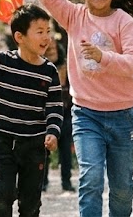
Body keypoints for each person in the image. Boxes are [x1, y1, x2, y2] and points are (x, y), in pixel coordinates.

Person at [36, 0, 133, 217]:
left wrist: (103, 57)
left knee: (122, 188)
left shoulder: (124, 22)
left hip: (122, 115)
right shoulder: (74, 16)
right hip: (86, 114)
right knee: (91, 178)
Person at [0, 4, 63, 217]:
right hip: (3, 140)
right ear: (20, 36)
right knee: (3, 195)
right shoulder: (2, 62)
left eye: (48, 32)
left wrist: (53, 132)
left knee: (31, 201)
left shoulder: (49, 71)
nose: (46, 38)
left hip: (35, 143)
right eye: (39, 32)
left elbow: (54, 106)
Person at [42, 37, 74, 193]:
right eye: (49, 49)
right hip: (45, 114)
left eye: (54, 48)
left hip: (65, 113)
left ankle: (66, 182)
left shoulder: (66, 66)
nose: (52, 51)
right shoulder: (41, 66)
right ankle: (42, 182)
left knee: (66, 151)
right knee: (44, 150)